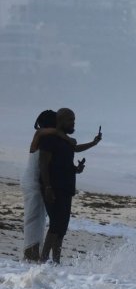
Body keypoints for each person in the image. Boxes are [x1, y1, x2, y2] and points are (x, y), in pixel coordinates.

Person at [38, 108, 100, 264]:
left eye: (74, 120)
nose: (73, 123)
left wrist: (76, 169)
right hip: (53, 187)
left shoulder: (65, 140)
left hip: (66, 188)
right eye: (70, 120)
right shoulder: (50, 139)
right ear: (60, 121)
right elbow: (43, 164)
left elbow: (69, 157)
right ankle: (43, 260)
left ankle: (56, 261)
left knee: (62, 227)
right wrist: (47, 187)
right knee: (56, 224)